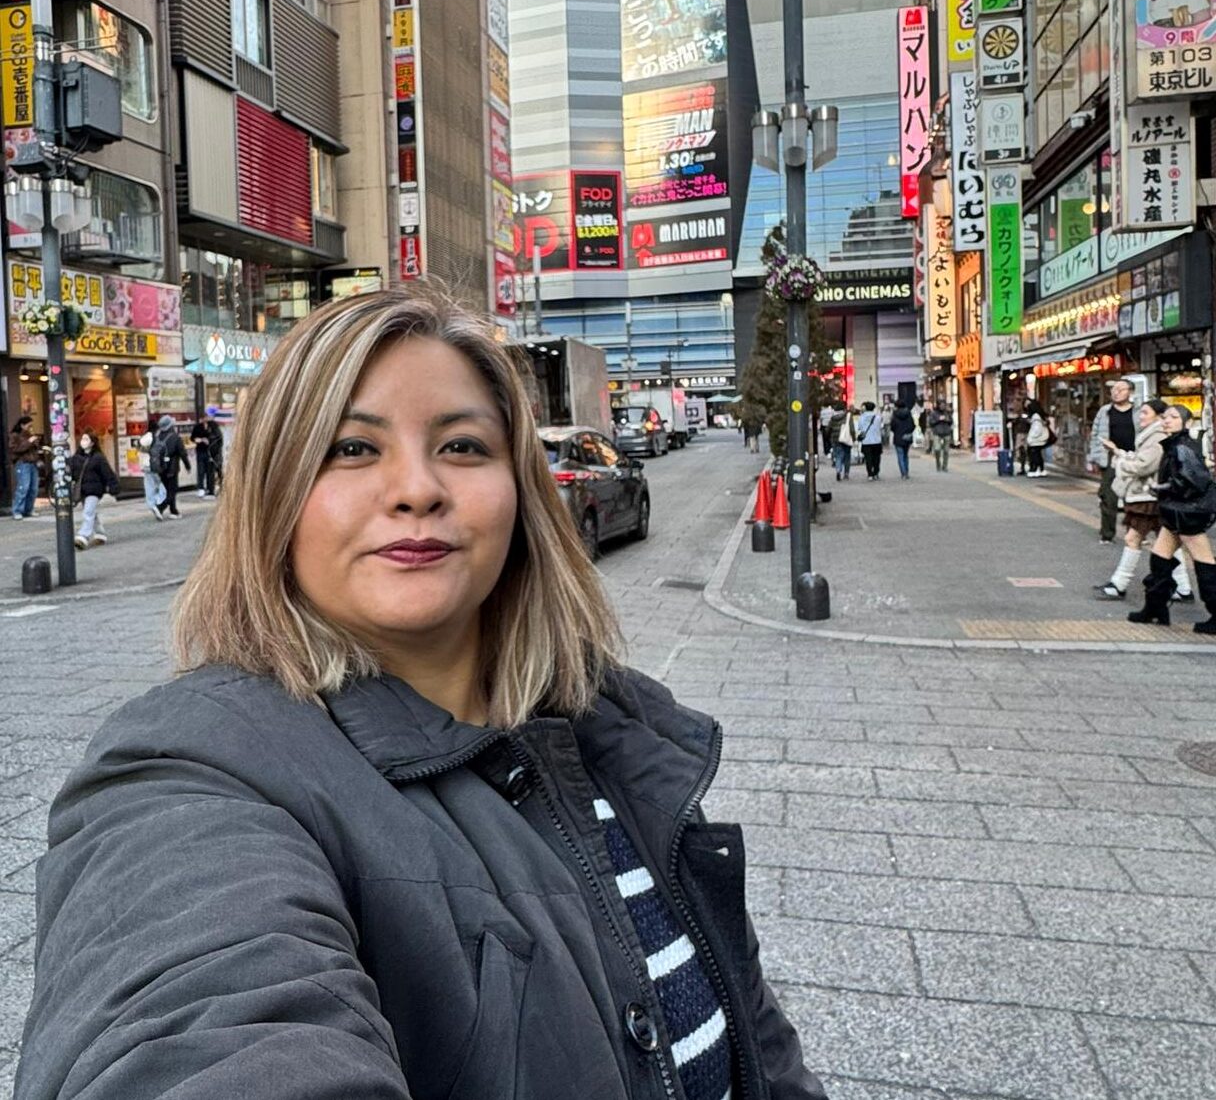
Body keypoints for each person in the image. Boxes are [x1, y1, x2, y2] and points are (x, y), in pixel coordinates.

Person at [15, 285, 825, 1100]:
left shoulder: (617, 733)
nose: (417, 488)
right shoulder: (191, 771)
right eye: (352, 449)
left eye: (464, 445)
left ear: (521, 491)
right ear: (274, 494)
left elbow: (768, 1055)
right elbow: (195, 1024)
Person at [1128, 403, 1216, 635]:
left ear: (1186, 422)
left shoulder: (1183, 447)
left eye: (1174, 417)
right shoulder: (1176, 445)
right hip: (1177, 513)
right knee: (1160, 558)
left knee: (1204, 562)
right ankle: (1155, 608)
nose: (1167, 420)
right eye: (1165, 417)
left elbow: (1193, 480)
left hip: (1187, 515)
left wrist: (1163, 488)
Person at [1093, 397, 1191, 604]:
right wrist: (1120, 453)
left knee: (1135, 539)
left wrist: (1120, 462)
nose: (1140, 416)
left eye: (1145, 412)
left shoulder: (1156, 437)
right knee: (1169, 542)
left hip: (1147, 497)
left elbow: (1144, 465)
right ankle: (1183, 588)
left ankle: (1119, 584)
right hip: (1151, 497)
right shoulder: (1153, 436)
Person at [1088, 379, 1137, 542]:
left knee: (1134, 497)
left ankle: (1135, 532)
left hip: (1133, 458)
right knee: (1109, 496)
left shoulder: (1138, 411)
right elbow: (1095, 435)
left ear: (1130, 392)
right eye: (1114, 390)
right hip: (1111, 458)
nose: (1116, 392)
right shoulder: (1104, 411)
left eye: (1120, 389)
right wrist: (1094, 457)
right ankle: (1107, 533)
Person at [69, 434, 118, 552]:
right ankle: (100, 533)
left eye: (86, 439)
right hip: (83, 490)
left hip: (95, 490)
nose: (83, 441)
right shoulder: (75, 458)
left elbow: (107, 473)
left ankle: (83, 536)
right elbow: (71, 473)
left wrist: (113, 486)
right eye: (82, 439)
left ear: (92, 443)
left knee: (88, 512)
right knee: (91, 512)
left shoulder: (98, 458)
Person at [151, 413, 190, 517]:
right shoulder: (175, 437)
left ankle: (173, 511)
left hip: (161, 468)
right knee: (172, 490)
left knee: (167, 489)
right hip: (172, 468)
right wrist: (187, 465)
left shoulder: (158, 437)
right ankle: (160, 507)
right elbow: (182, 453)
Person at [9, 414, 39, 519]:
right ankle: (17, 510)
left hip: (32, 463)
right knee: (23, 487)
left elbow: (34, 449)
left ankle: (28, 509)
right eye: (29, 425)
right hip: (22, 463)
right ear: (22, 425)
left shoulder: (29, 434)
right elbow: (15, 449)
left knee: (33, 488)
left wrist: (35, 443)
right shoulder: (15, 435)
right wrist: (29, 442)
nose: (30, 428)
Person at [137, 429, 166, 521]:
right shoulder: (154, 438)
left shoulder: (144, 440)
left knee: (149, 487)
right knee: (161, 485)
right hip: (153, 466)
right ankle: (158, 502)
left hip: (145, 466)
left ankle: (152, 504)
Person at [1024, 400, 1054, 477]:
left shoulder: (1035, 417)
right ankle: (1041, 469)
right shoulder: (1040, 416)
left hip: (1036, 439)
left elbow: (1036, 429)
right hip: (1041, 439)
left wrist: (1030, 438)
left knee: (1034, 454)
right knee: (1038, 454)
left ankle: (1035, 469)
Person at [855, 401, 883, 480]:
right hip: (877, 440)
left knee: (868, 458)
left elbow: (860, 428)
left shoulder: (861, 417)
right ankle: (876, 473)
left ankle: (870, 474)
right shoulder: (878, 417)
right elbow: (881, 426)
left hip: (866, 441)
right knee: (876, 458)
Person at [889, 400, 915, 480]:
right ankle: (906, 472)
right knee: (905, 455)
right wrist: (908, 432)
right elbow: (913, 425)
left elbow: (892, 426)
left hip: (898, 437)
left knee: (900, 456)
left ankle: (903, 474)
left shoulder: (894, 414)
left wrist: (896, 431)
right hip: (907, 437)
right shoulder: (909, 413)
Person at [190, 417, 216, 498]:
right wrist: (199, 440)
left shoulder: (213, 427)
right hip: (200, 451)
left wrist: (209, 441)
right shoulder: (197, 427)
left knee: (210, 471)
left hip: (210, 452)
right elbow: (192, 437)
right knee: (201, 470)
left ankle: (210, 488)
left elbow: (216, 438)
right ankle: (201, 488)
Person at [927, 401, 954, 472]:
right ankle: (938, 464)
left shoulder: (947, 413)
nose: (942, 406)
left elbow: (951, 421)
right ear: (938, 405)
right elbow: (931, 423)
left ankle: (945, 466)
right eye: (941, 405)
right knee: (937, 449)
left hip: (946, 433)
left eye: (944, 405)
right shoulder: (934, 413)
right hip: (937, 433)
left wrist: (946, 419)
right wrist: (938, 419)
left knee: (946, 450)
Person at [831, 408, 854, 481]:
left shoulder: (833, 417)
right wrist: (854, 438)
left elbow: (828, 429)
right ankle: (846, 473)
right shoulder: (848, 416)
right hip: (846, 439)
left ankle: (838, 470)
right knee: (847, 456)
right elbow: (852, 429)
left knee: (838, 456)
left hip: (836, 439)